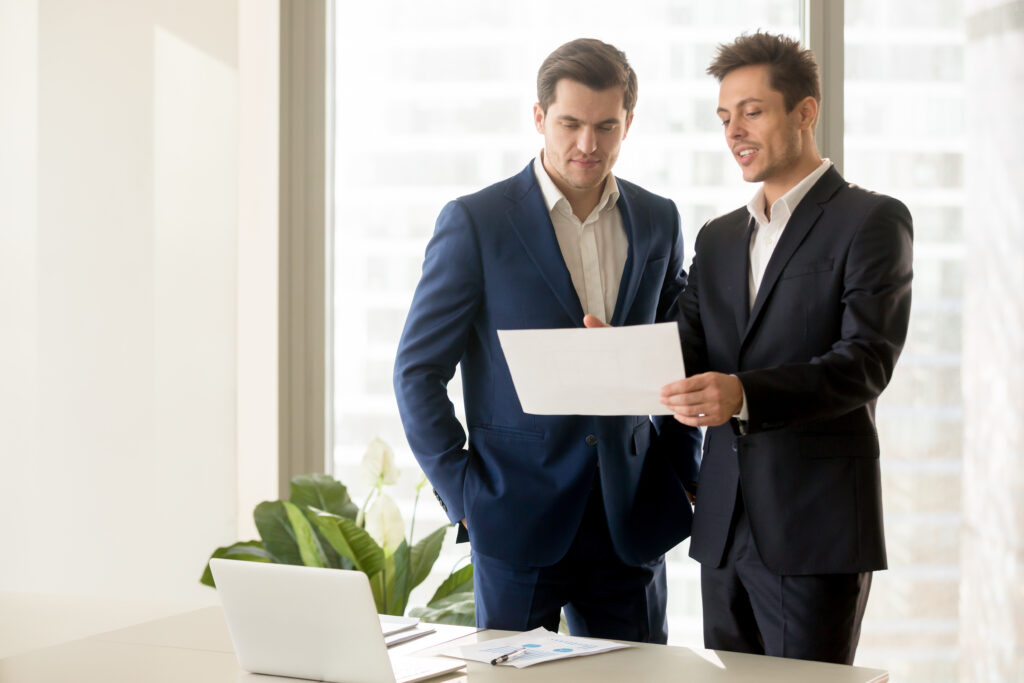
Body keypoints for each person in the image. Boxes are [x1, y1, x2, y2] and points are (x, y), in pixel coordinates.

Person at [393, 38, 701, 643]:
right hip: (514, 516)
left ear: (628, 124)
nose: (588, 144)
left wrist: (681, 471)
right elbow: (417, 372)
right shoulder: (476, 222)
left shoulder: (659, 219)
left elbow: (678, 354)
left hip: (630, 517)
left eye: (606, 126)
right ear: (539, 118)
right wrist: (463, 494)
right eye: (570, 123)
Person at [659, 32, 913, 663]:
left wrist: (744, 394)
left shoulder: (870, 220)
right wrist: (619, 357)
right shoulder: (718, 239)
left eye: (752, 110)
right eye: (724, 116)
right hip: (722, 526)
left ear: (805, 112)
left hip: (814, 528)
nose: (734, 131)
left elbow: (865, 362)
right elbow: (683, 350)